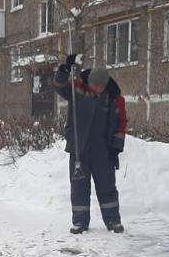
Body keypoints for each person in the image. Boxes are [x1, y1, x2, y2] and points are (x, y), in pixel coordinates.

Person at [54, 54, 127, 234]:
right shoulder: (77, 90)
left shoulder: (114, 98)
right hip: (79, 148)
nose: (98, 89)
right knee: (79, 187)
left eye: (101, 86)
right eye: (95, 85)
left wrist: (116, 147)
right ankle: (80, 222)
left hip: (103, 149)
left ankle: (113, 221)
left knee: (107, 186)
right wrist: (64, 70)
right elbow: (60, 86)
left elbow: (121, 122)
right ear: (90, 83)